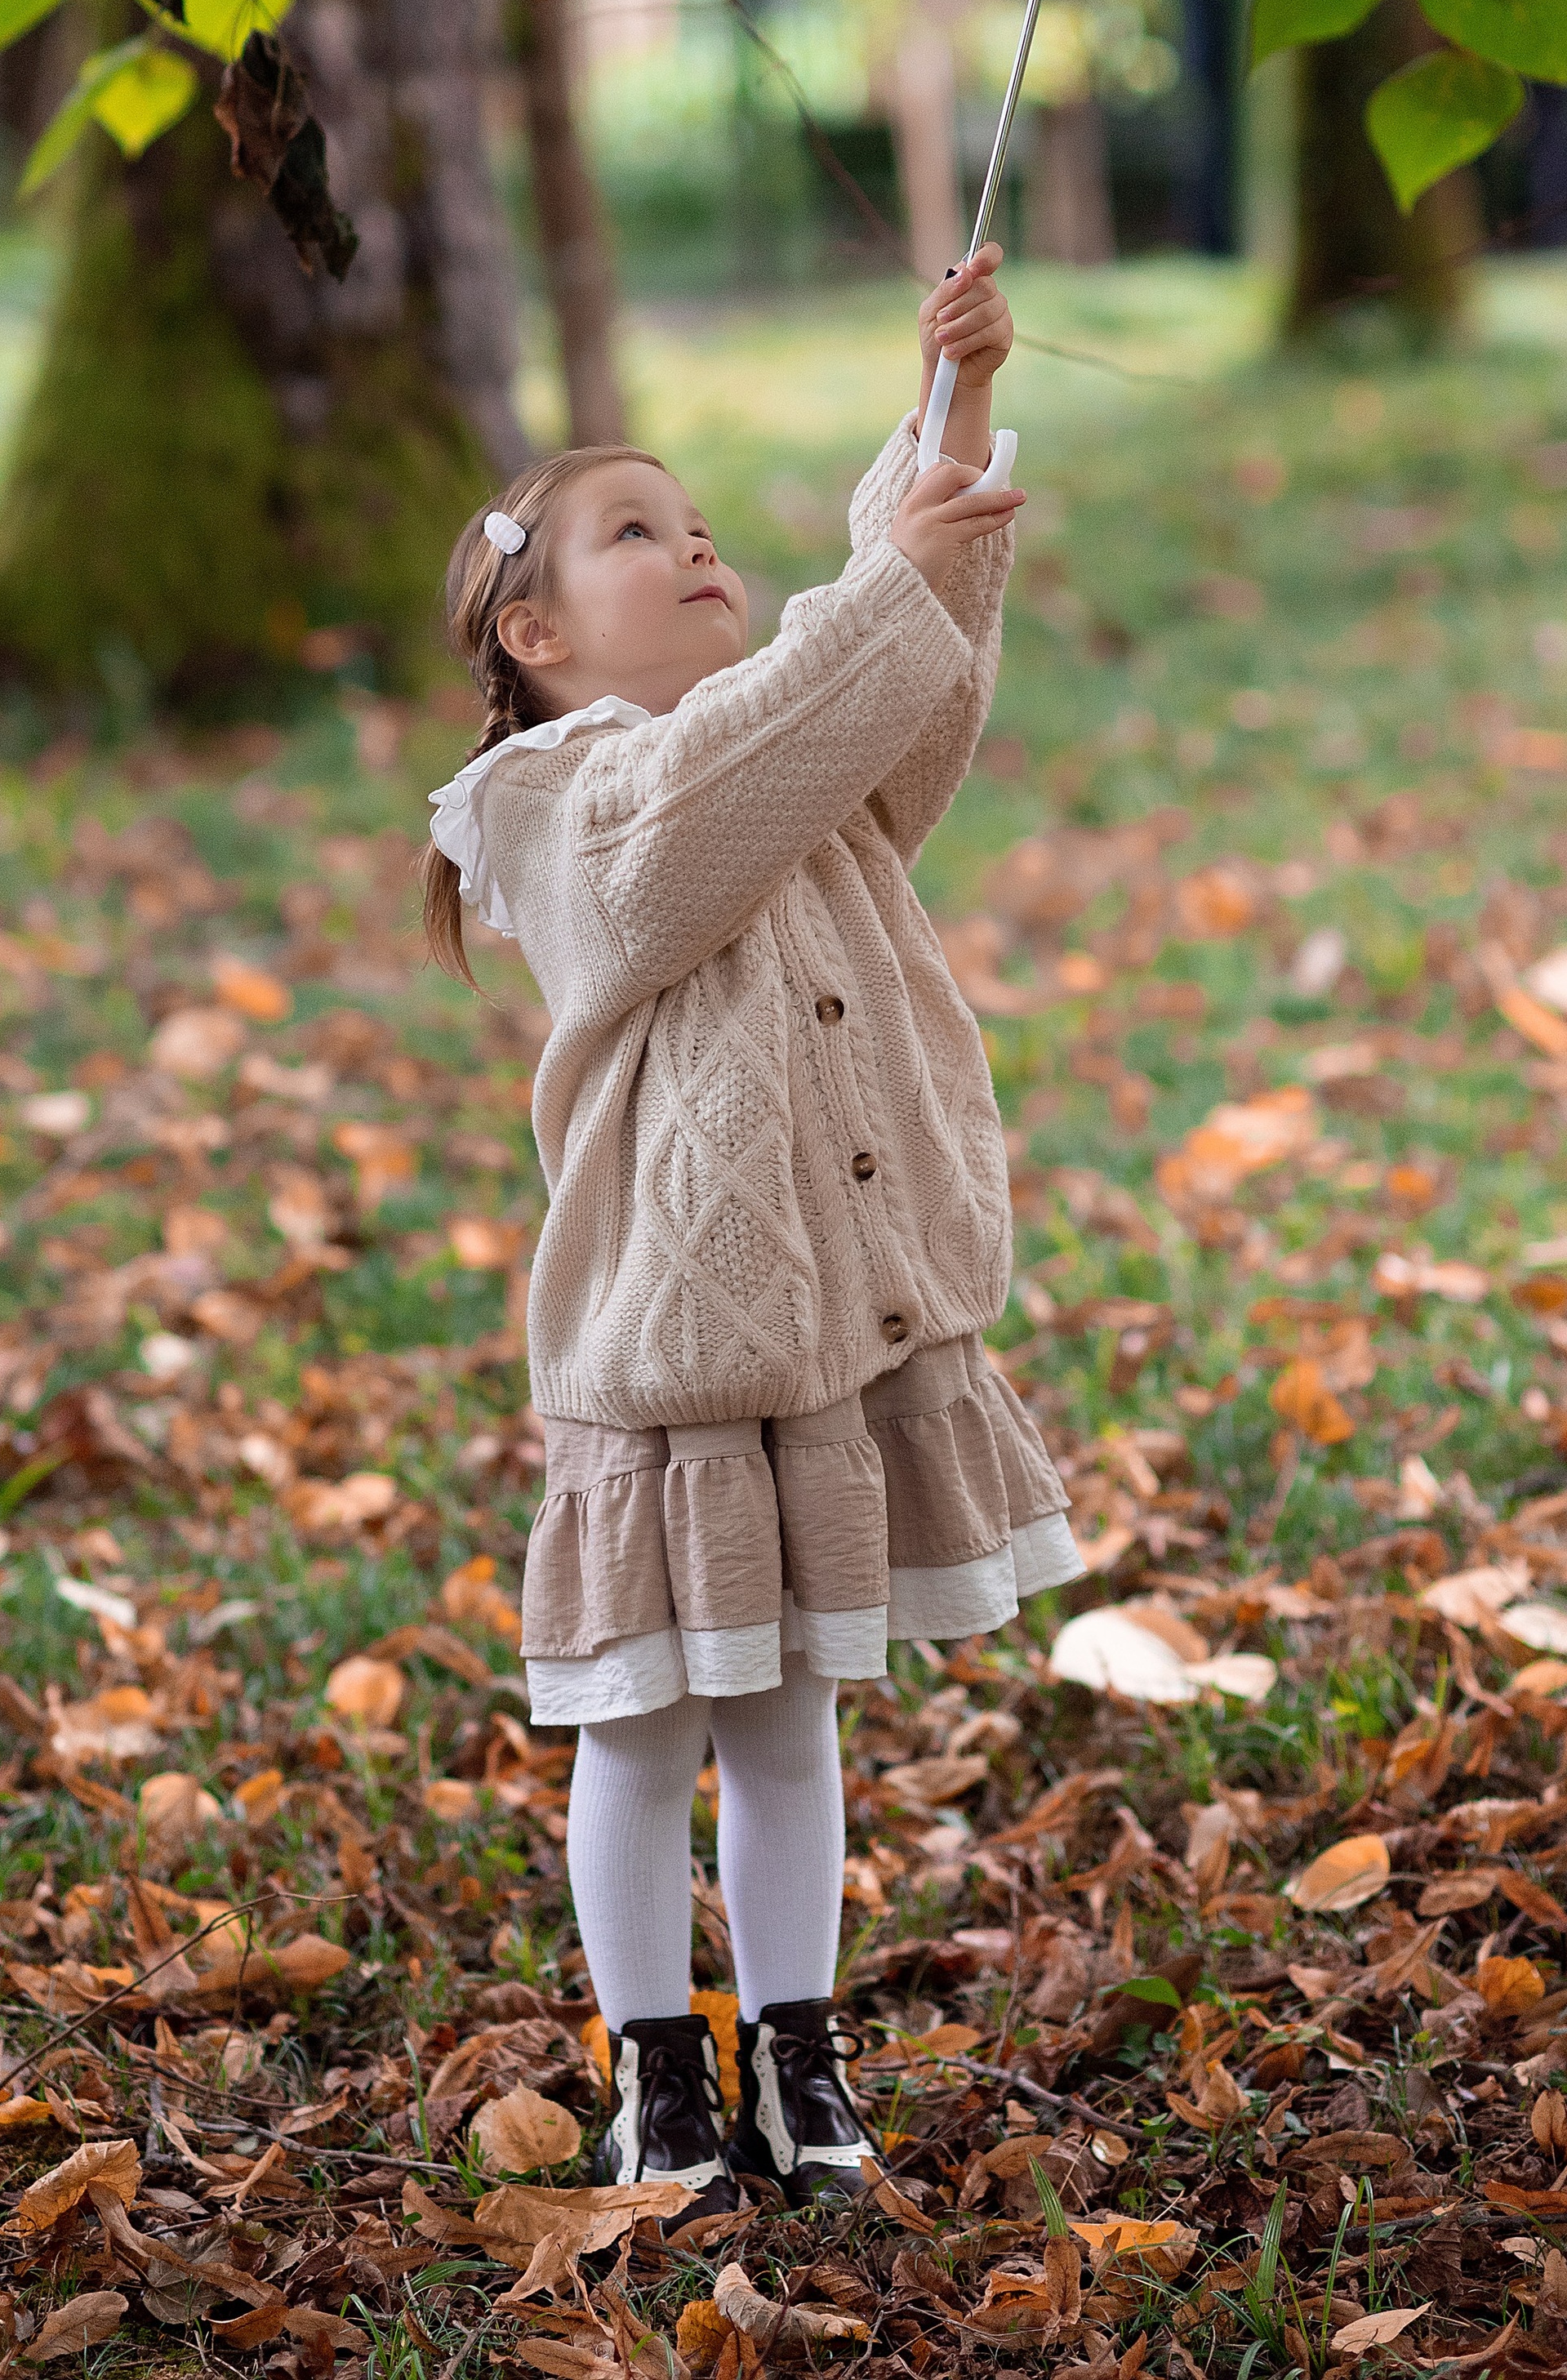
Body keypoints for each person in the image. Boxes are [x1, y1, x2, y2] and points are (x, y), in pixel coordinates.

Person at [423, 247, 1083, 2222]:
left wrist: (946, 423)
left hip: (824, 1343)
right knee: (640, 1729)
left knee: (792, 1722)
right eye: (641, 533)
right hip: (671, 1358)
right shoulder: (555, 799)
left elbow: (899, 717)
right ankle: (655, 2076)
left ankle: (793, 2050)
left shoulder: (778, 763)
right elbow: (725, 785)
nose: (695, 547)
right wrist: (883, 572)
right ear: (533, 629)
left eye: (703, 523)